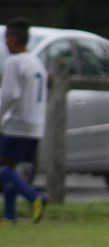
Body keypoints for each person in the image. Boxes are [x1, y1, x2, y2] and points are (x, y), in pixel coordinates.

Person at [0, 17, 47, 224]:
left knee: (3, 170)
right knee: (8, 169)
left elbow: (9, 94)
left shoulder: (14, 62)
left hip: (17, 124)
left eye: (6, 38)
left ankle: (35, 197)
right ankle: (10, 215)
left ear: (13, 38)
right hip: (35, 126)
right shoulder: (36, 61)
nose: (5, 43)